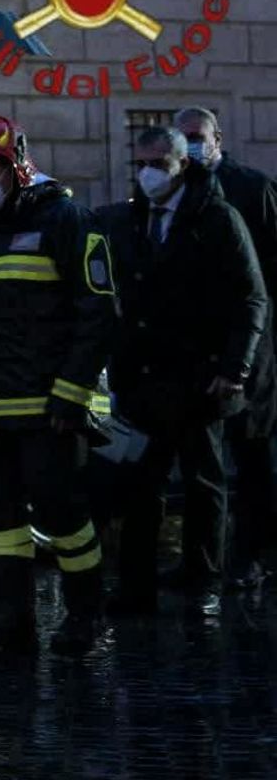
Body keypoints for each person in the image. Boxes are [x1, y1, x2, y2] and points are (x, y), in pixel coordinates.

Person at [0, 114, 115, 656]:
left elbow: (98, 313)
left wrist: (72, 393)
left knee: (63, 513)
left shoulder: (68, 221)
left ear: (17, 165)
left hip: (50, 406)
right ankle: (7, 620)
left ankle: (87, 615)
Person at [98, 127, 267, 619]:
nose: (148, 173)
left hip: (200, 375)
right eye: (142, 162)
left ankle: (202, 579)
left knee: (203, 480)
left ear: (182, 166)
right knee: (141, 483)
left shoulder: (217, 219)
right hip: (144, 376)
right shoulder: (130, 218)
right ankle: (136, 589)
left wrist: (234, 368)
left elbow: (250, 297)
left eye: (159, 163)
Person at [175, 106, 277, 590]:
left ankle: (253, 555)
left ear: (218, 137)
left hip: (253, 345)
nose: (190, 144)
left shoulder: (252, 188)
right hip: (197, 347)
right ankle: (202, 560)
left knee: (252, 451)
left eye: (196, 136)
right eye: (183, 137)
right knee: (202, 461)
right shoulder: (178, 190)